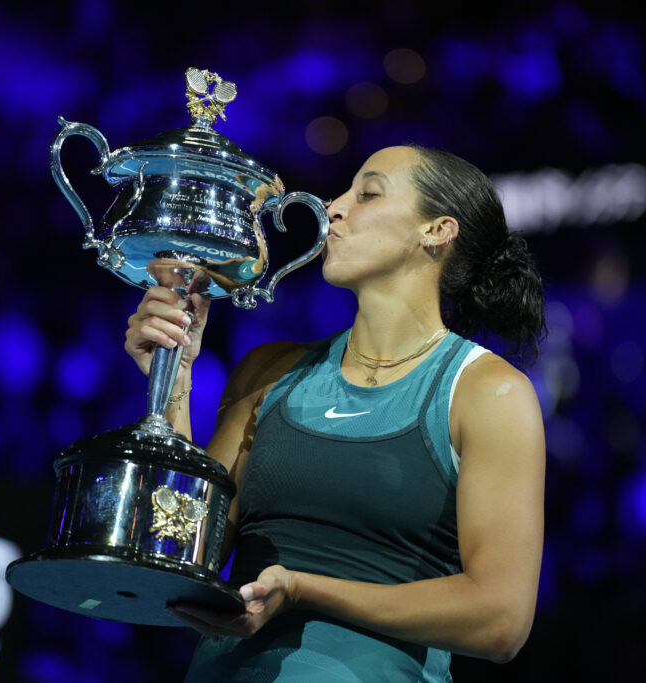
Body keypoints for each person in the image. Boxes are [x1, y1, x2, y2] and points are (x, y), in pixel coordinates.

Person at [125, 145, 546, 682]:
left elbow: (501, 620)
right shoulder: (267, 372)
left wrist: (303, 589)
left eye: (367, 193)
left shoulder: (487, 392)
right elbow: (181, 556)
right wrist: (174, 383)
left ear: (436, 231)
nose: (332, 207)